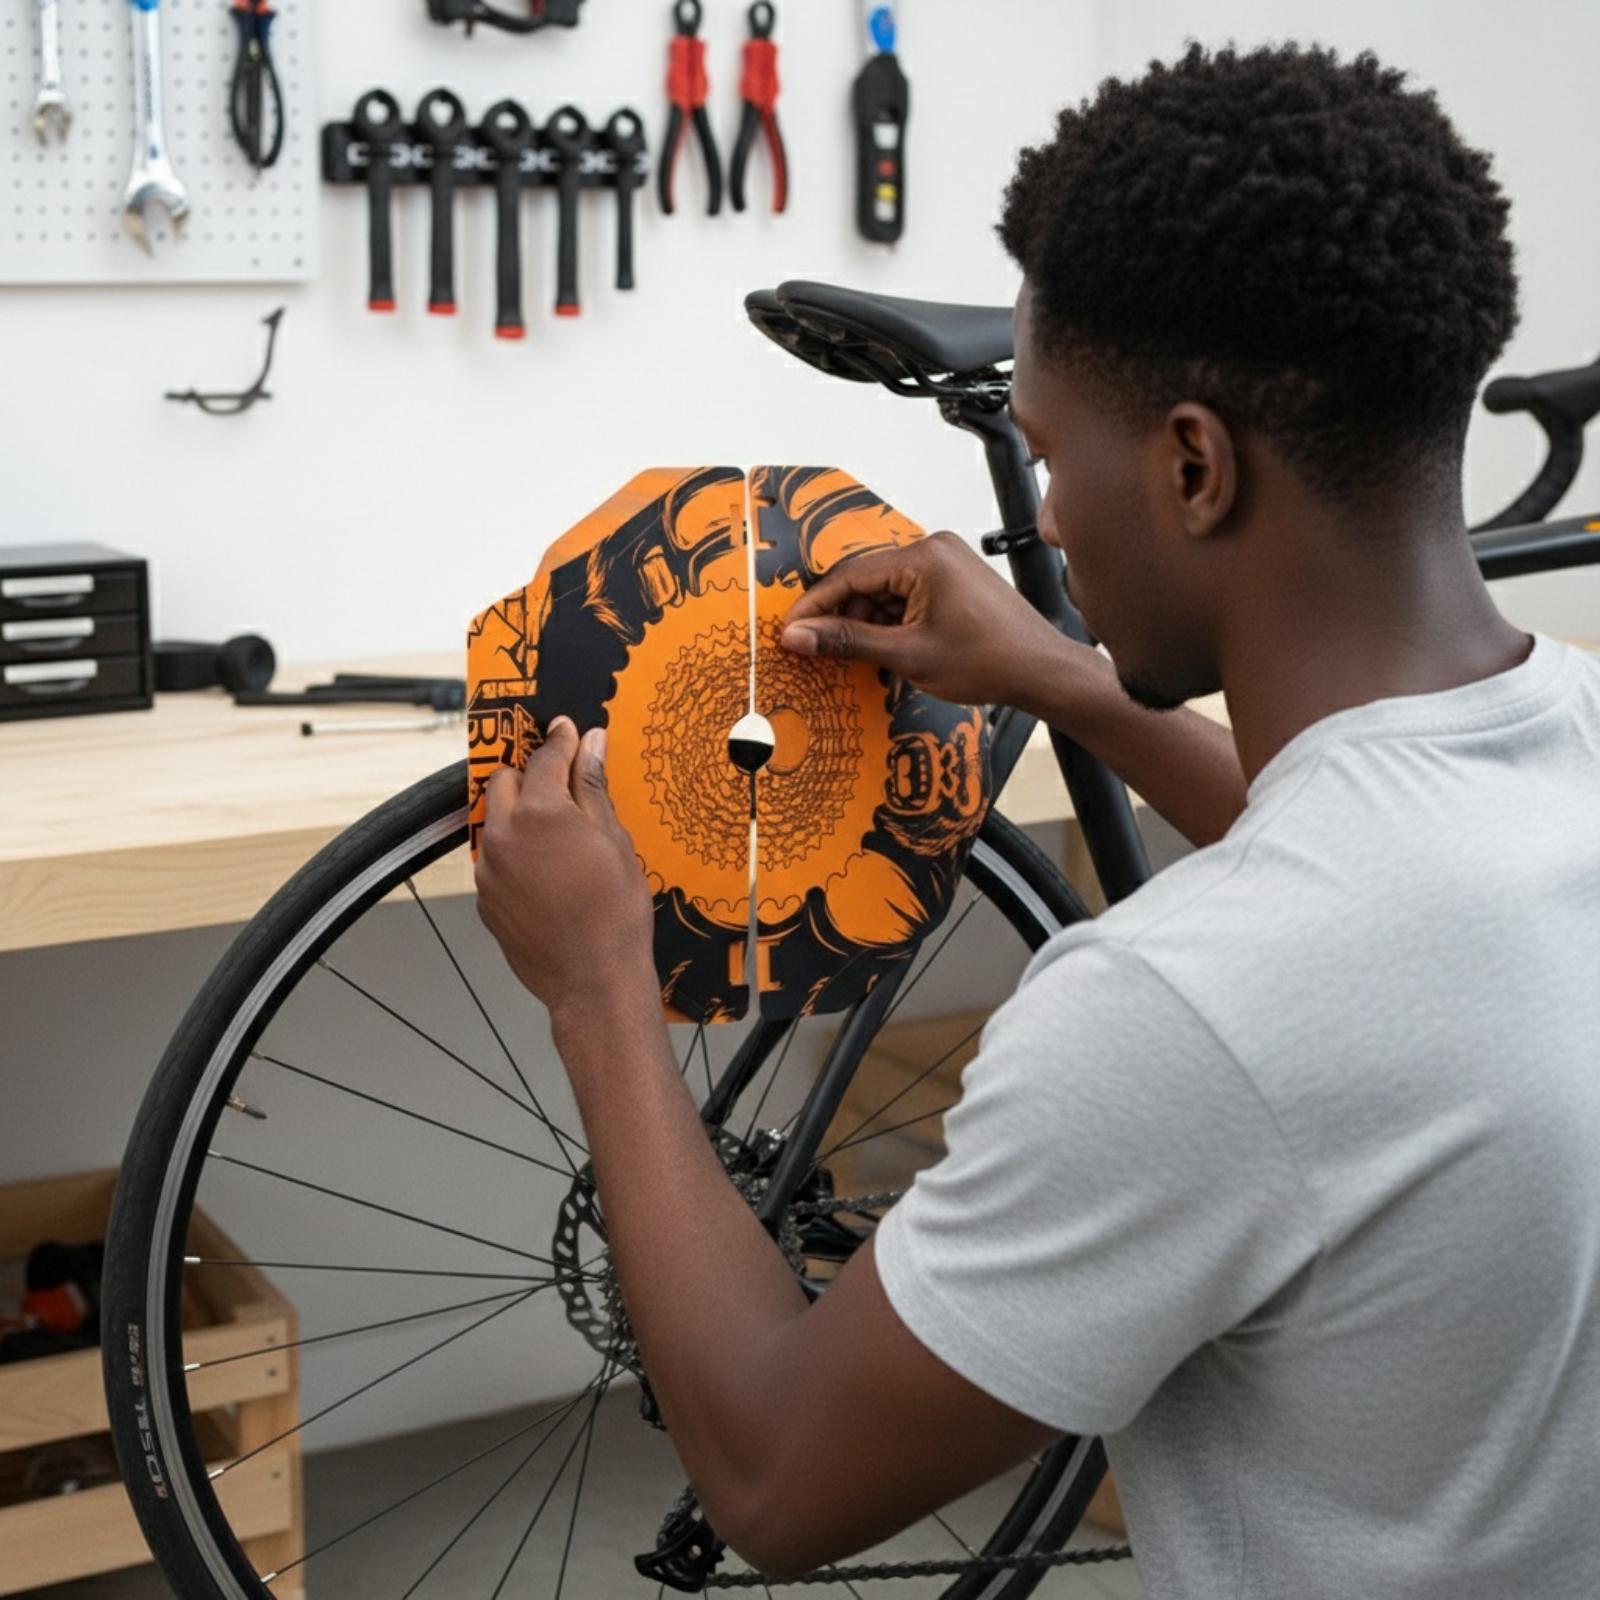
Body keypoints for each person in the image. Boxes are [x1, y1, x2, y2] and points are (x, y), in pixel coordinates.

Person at [474, 41, 1600, 1599]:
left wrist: (598, 988)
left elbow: (778, 1482)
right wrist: (1068, 676)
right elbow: (1374, 873)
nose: (1048, 519)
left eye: (1055, 456)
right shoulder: (1568, 744)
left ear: (1193, 466)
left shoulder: (1183, 1008)